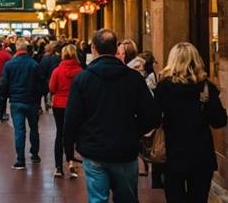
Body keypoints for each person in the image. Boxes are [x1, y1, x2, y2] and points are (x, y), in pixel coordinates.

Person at [64, 29, 160, 203]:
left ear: (93, 48)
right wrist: (133, 131)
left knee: (97, 199)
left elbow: (72, 118)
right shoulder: (133, 78)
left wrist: (70, 148)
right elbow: (152, 115)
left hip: (94, 150)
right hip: (125, 150)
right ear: (116, 49)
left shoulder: (83, 79)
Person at [154, 42, 227, 202]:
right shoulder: (207, 87)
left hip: (172, 154)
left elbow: (154, 118)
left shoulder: (163, 87)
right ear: (197, 60)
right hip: (201, 155)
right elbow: (219, 121)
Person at [0, 39, 44, 170]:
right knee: (34, 128)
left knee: (19, 131)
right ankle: (35, 154)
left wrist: (5, 97)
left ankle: (20, 160)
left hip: (16, 101)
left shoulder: (9, 64)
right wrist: (37, 98)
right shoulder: (34, 64)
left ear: (16, 49)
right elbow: (41, 84)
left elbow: (3, 84)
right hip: (32, 102)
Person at [48, 44, 82, 178]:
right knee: (71, 135)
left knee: (60, 134)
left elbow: (51, 88)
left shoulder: (57, 71)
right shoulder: (80, 71)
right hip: (75, 106)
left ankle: (58, 167)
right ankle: (71, 162)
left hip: (59, 105)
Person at [39, 42, 61, 111]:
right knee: (52, 92)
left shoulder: (43, 59)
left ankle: (46, 103)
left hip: (45, 79)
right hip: (54, 78)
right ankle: (51, 103)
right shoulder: (57, 58)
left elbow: (41, 70)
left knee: (46, 93)